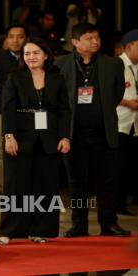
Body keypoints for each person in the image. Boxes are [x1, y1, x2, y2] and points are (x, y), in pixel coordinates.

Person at [55, 23, 131, 238]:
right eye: (89, 38)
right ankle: (79, 225)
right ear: (75, 42)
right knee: (77, 184)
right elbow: (59, 99)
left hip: (103, 133)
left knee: (107, 181)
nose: (95, 41)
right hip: (74, 134)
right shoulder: (61, 64)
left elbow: (116, 94)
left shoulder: (112, 63)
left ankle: (109, 223)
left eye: (97, 37)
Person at [0, 37, 71, 245]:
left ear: (46, 55)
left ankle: (42, 230)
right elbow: (8, 109)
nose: (31, 57)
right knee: (15, 186)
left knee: (46, 186)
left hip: (49, 141)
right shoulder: (15, 77)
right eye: (27, 53)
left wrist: (65, 136)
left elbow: (64, 110)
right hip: (20, 140)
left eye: (36, 53)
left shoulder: (57, 79)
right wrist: (8, 136)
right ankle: (9, 231)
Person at [0, 25, 27, 193]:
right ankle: (5, 191)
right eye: (12, 36)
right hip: (0, 112)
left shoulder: (31, 57)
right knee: (1, 153)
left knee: (25, 150)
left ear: (26, 39)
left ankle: (25, 190)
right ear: (6, 40)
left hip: (27, 113)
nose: (15, 40)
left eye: (20, 36)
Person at [116, 30, 138, 215]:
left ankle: (131, 201)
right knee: (119, 166)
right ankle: (118, 205)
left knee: (132, 164)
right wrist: (127, 102)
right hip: (119, 122)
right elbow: (107, 93)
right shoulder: (117, 64)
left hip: (135, 123)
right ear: (129, 46)